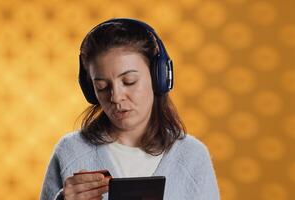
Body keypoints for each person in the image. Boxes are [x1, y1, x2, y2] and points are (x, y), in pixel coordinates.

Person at [40, 18, 219, 200]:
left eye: (129, 81)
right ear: (90, 90)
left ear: (159, 78)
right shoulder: (70, 151)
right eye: (102, 86)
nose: (116, 97)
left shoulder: (193, 157)